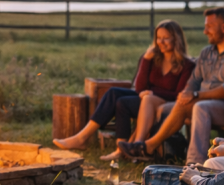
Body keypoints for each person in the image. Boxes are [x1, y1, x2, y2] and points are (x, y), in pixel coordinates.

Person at [118, 7, 224, 165]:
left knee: (200, 106)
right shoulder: (206, 52)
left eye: (209, 27)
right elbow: (194, 80)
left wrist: (196, 95)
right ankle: (155, 151)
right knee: (169, 106)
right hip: (201, 102)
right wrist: (187, 93)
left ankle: (194, 163)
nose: (205, 31)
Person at [53, 20, 194, 156]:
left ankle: (125, 149)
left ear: (176, 39)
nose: (160, 42)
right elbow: (139, 88)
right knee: (114, 94)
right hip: (145, 100)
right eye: (158, 38)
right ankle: (85, 138)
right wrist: (145, 60)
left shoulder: (186, 65)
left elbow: (179, 94)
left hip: (165, 103)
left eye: (166, 38)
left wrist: (152, 92)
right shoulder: (152, 58)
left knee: (127, 102)